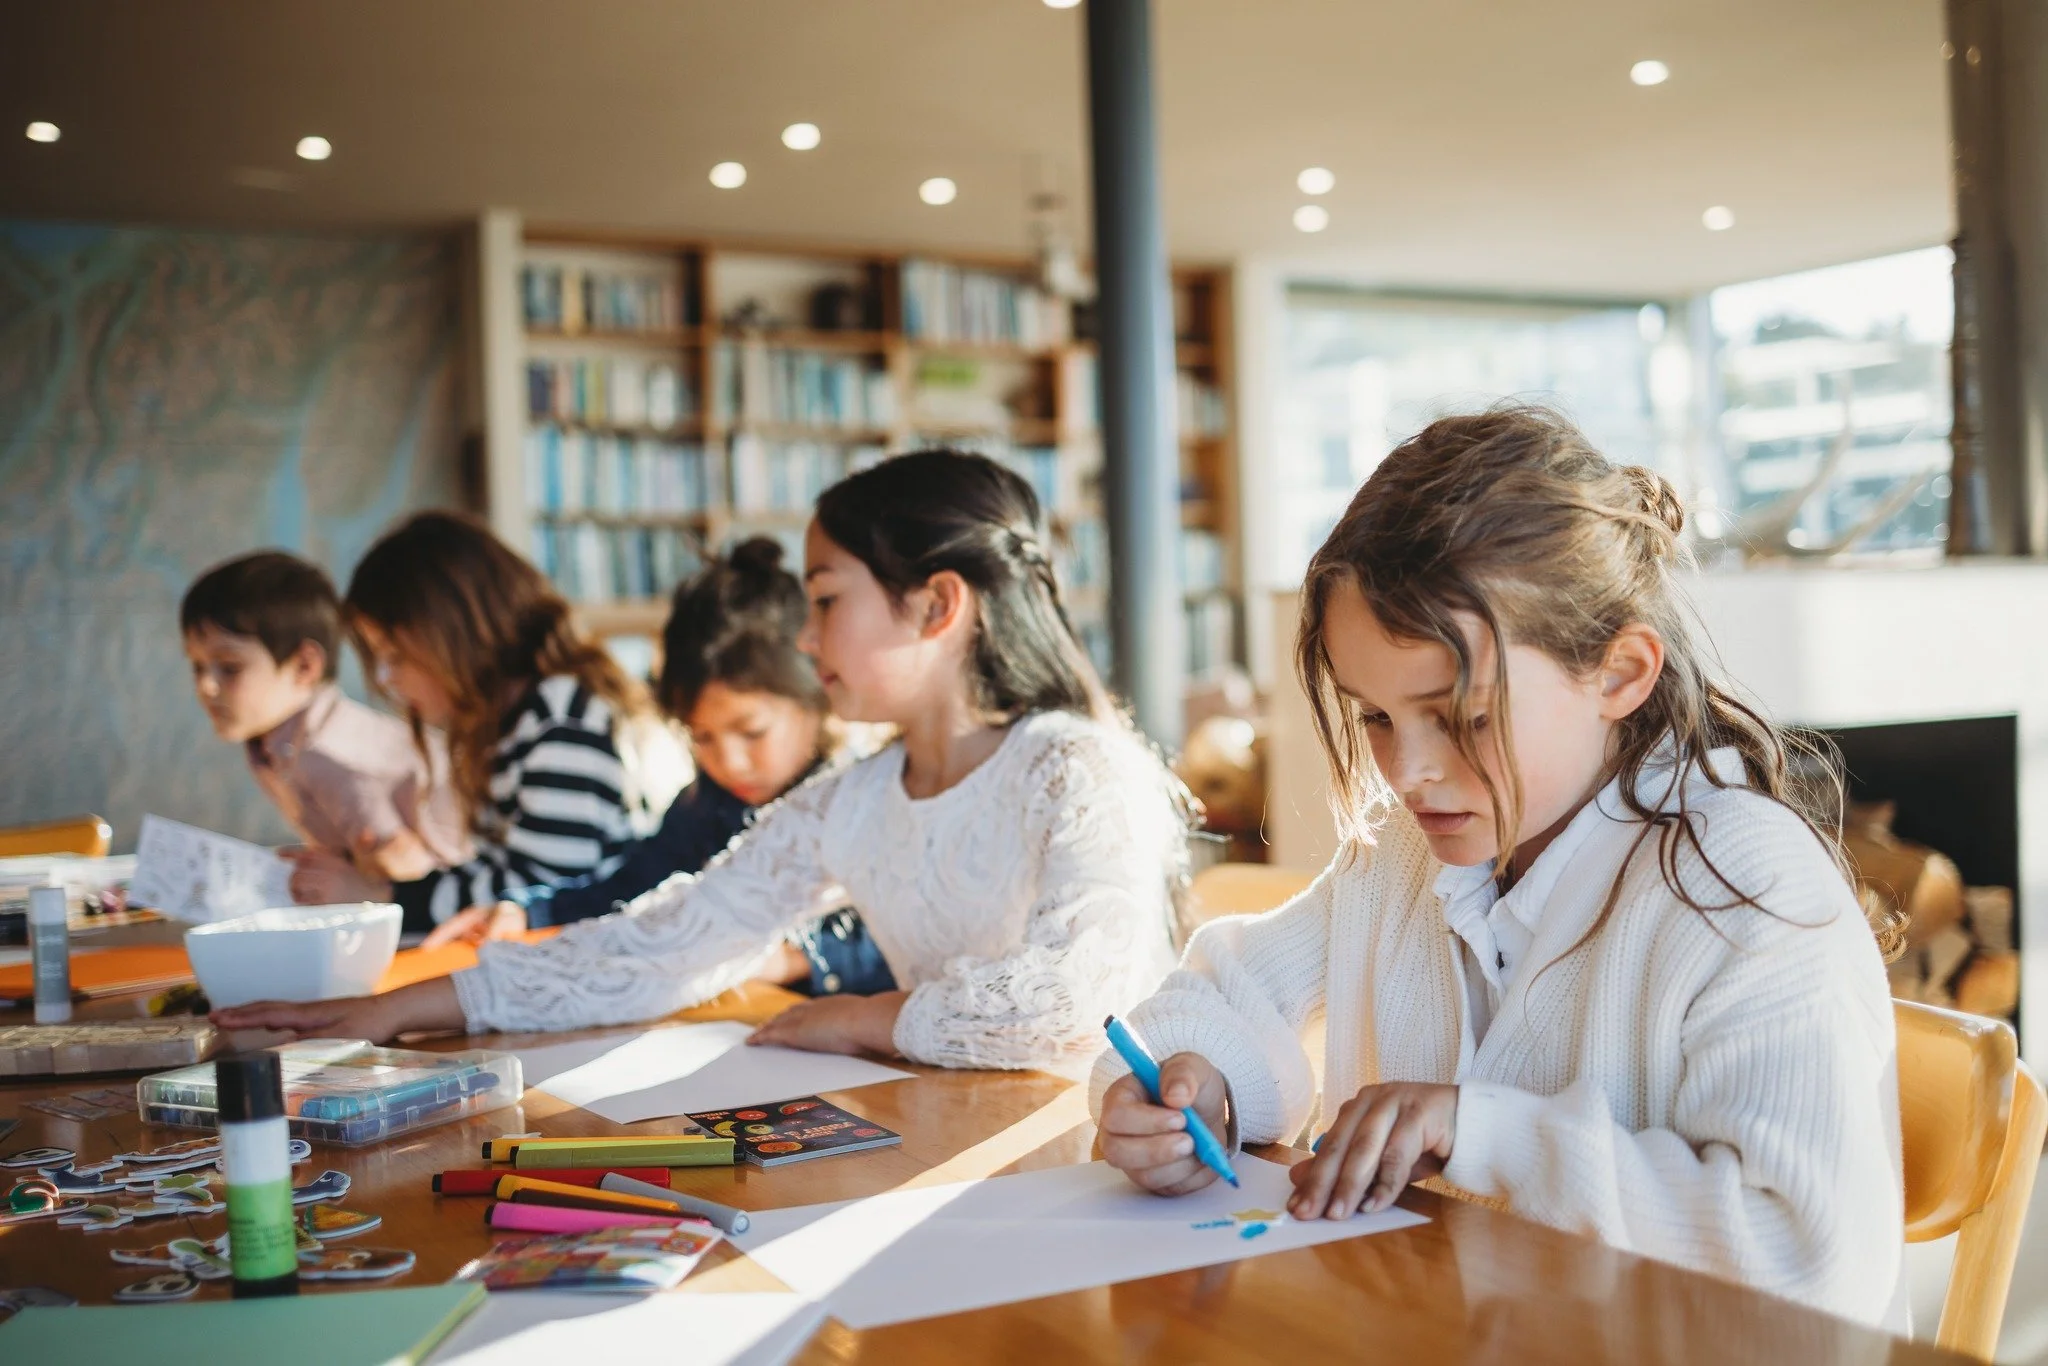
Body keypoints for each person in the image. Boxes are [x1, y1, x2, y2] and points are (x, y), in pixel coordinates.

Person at [1092, 407, 1905, 1327]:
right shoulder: (1401, 859)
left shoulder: (1743, 885)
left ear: (1621, 674)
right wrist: (1199, 1090)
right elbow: (1220, 996)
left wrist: (1481, 1130)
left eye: (1465, 717)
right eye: (1377, 718)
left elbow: (1804, 1260)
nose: (1407, 772)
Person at [217, 450, 1190, 1072]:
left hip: (1114, 1148)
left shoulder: (1075, 767)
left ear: (936, 606)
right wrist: (394, 1011)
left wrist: (861, 1016)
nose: (805, 643)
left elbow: (1079, 999)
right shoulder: (848, 802)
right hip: (954, 1136)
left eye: (823, 600)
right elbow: (663, 939)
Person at [422, 537, 895, 998]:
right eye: (701, 737)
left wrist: (792, 959)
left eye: (752, 733)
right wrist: (531, 912)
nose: (727, 761)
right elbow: (631, 887)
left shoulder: (860, 795)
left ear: (818, 697)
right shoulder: (704, 804)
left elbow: (905, 936)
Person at [280, 512, 686, 932]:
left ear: (454, 633)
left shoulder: (559, 715)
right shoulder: (512, 722)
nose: (384, 677)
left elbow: (547, 892)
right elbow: (501, 873)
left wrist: (382, 896)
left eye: (395, 655)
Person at [180, 550, 466, 881]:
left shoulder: (330, 757)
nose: (205, 686)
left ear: (305, 666)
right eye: (197, 666)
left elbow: (405, 865)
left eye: (229, 668)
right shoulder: (275, 743)